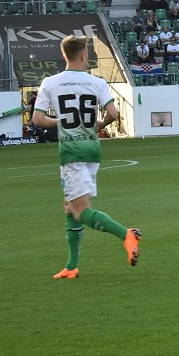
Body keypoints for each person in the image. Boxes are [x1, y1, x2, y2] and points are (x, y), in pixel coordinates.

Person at [30, 35, 141, 280]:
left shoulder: (51, 82)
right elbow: (113, 113)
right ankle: (71, 266)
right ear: (83, 56)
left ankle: (127, 235)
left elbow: (37, 119)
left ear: (64, 56)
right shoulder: (97, 82)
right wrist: (99, 123)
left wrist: (58, 122)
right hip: (92, 149)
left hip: (71, 151)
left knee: (80, 210)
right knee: (70, 207)